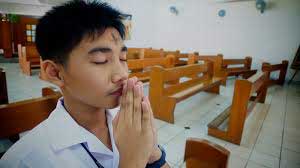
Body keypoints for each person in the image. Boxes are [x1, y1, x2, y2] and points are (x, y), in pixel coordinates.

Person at [0, 0, 169, 167]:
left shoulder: (128, 119)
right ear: (55, 73)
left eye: (123, 58)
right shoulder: (23, 161)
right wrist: (132, 162)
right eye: (100, 60)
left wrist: (153, 154)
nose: (123, 74)